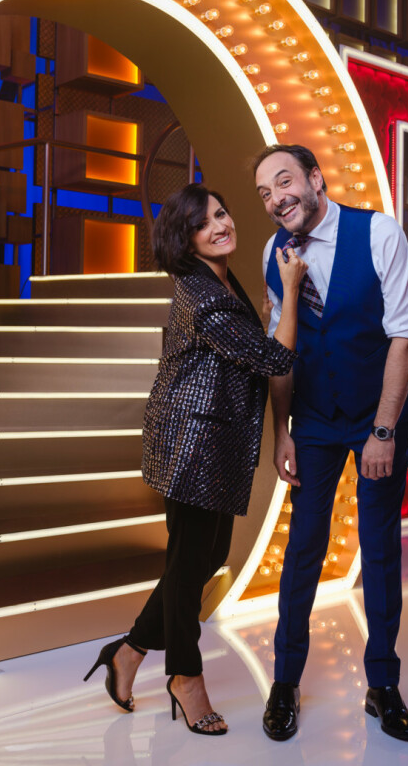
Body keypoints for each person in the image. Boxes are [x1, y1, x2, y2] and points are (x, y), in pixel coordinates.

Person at [84, 183, 307, 736]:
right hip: (192, 444)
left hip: (213, 441)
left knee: (205, 558)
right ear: (185, 240)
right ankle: (185, 678)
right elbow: (274, 358)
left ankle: (128, 651)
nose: (220, 226)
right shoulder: (202, 293)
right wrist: (290, 291)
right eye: (204, 223)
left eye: (221, 214)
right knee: (188, 567)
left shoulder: (220, 279)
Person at [254, 144, 408, 743]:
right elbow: (281, 352)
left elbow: (405, 336)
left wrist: (383, 430)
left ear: (316, 179)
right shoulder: (274, 253)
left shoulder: (378, 233)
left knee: (378, 548)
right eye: (265, 193)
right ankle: (285, 682)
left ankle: (383, 685)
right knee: (303, 547)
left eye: (284, 182)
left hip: (379, 414)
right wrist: (282, 430)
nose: (276, 199)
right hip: (314, 418)